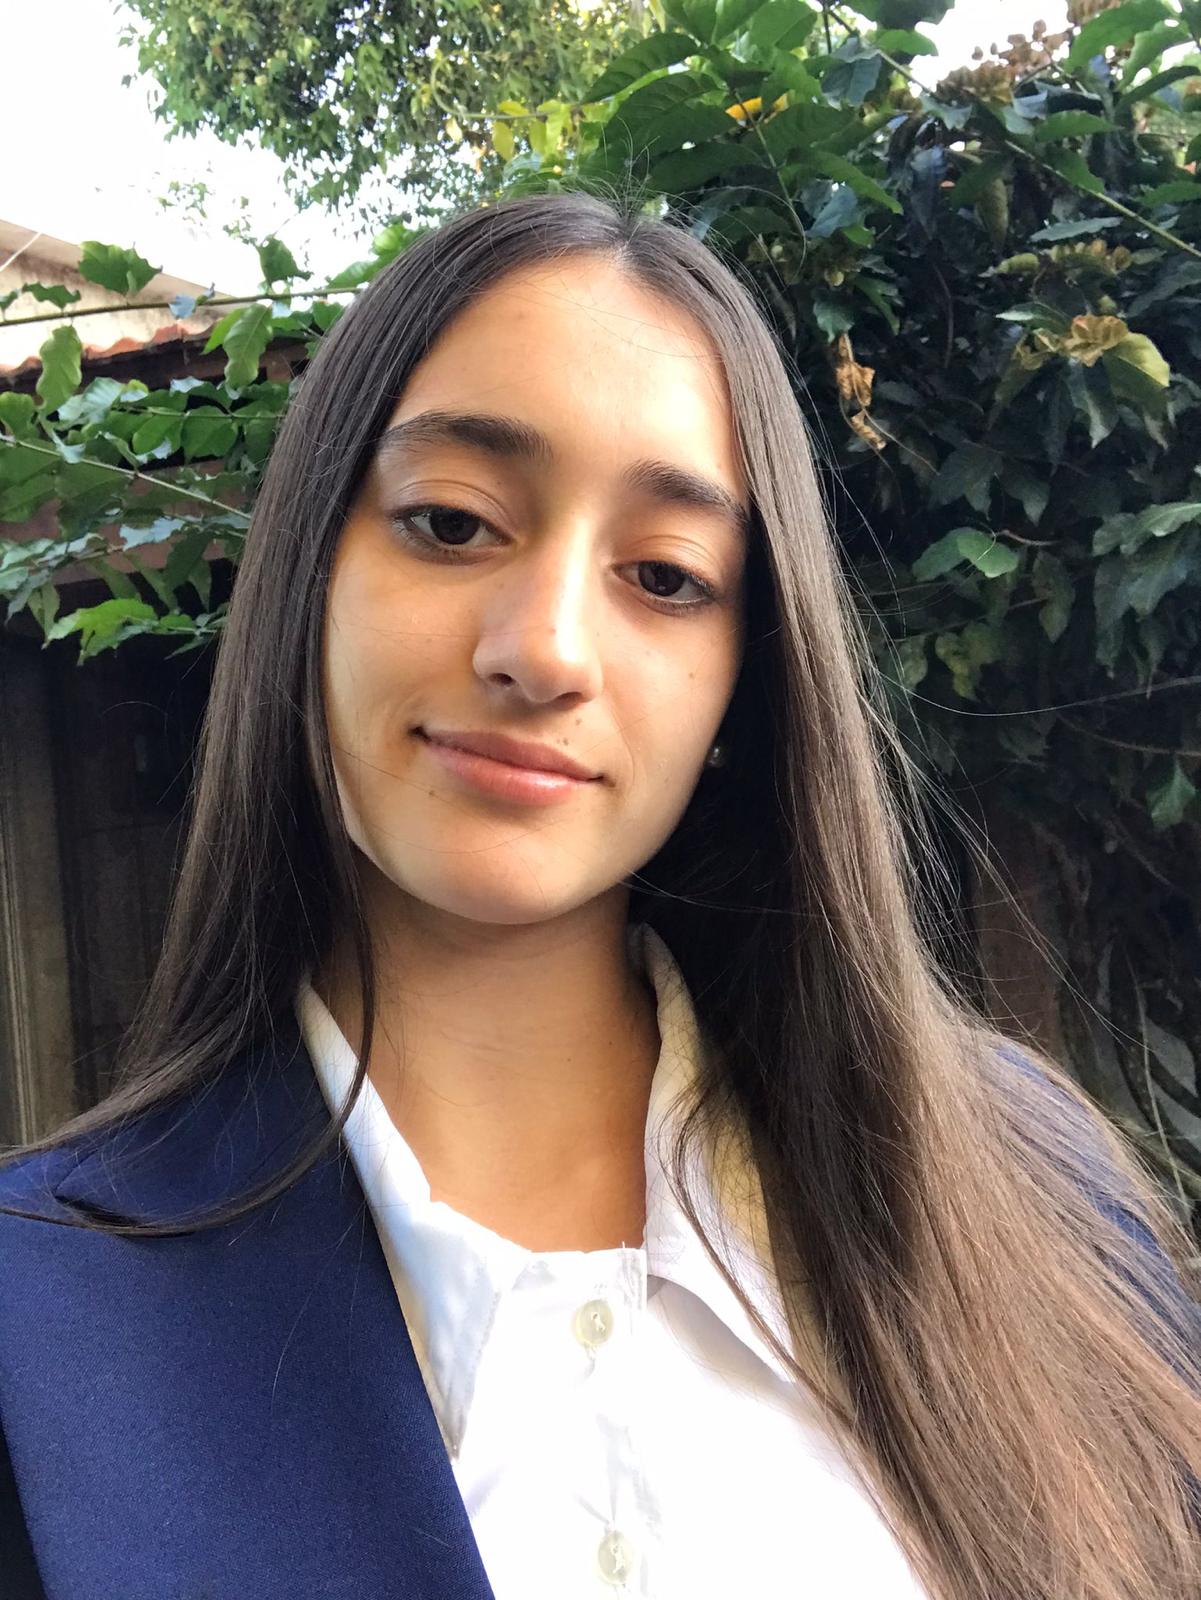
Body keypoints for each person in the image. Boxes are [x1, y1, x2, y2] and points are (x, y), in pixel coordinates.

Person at [0, 186, 1198, 1600]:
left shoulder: (1032, 1194)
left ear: (746, 681)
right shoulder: (44, 1325)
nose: (547, 650)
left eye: (667, 577)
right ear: (307, 572)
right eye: (451, 522)